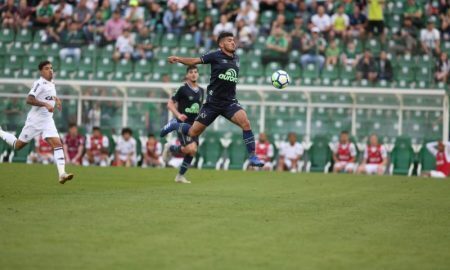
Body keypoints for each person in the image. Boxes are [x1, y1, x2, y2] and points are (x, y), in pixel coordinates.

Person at [161, 31, 264, 168]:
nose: (233, 42)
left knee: (246, 123)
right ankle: (175, 125)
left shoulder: (236, 58)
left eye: (233, 40)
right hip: (212, 103)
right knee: (192, 132)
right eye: (229, 40)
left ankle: (252, 156)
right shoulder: (215, 55)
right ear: (221, 44)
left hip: (229, 102)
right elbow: (194, 61)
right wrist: (179, 59)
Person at [0, 61, 74, 184]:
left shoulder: (52, 83)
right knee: (18, 146)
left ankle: (62, 174)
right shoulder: (39, 83)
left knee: (57, 144)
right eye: (46, 68)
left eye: (51, 68)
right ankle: (1, 132)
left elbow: (49, 96)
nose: (50, 70)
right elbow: (29, 99)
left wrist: (57, 100)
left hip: (48, 121)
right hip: (34, 121)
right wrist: (45, 104)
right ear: (41, 71)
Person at [162, 66, 204, 183]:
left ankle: (180, 175)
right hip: (183, 124)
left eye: (195, 72)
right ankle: (170, 148)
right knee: (190, 148)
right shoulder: (182, 88)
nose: (194, 74)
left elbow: (199, 109)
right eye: (191, 72)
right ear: (187, 75)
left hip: (195, 125)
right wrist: (178, 115)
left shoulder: (201, 90)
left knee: (193, 150)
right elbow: (170, 104)